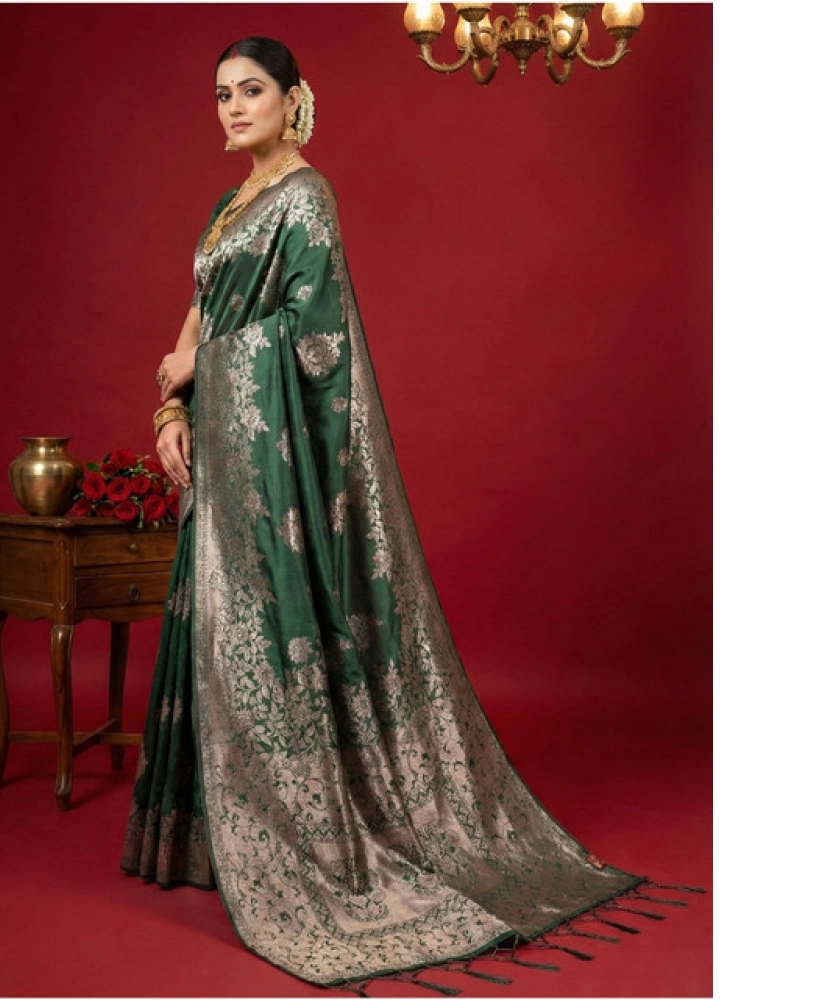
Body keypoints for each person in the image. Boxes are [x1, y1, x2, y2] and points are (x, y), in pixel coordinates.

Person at [121, 35, 668, 992]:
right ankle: (207, 837)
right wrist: (170, 410)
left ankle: (304, 835)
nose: (233, 107)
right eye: (221, 94)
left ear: (294, 98)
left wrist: (202, 369)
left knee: (271, 633)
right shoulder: (226, 208)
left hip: (274, 469)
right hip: (223, 454)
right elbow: (200, 311)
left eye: (252, 91)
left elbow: (313, 339)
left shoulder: (307, 198)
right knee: (213, 631)